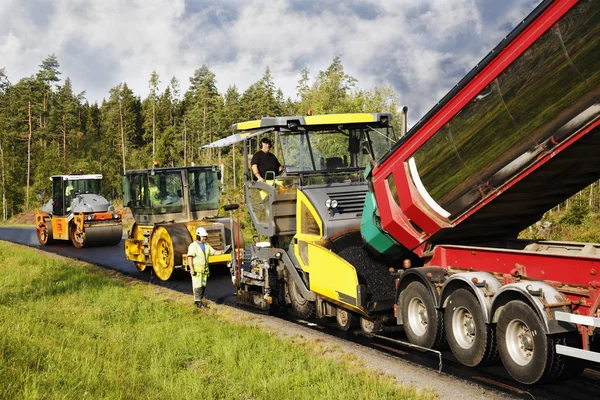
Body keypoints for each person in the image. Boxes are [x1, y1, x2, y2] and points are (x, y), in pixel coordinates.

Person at [187, 226, 224, 309]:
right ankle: (197, 302)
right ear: (198, 236)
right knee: (197, 286)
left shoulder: (206, 245)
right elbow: (189, 257)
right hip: (197, 271)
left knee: (203, 286)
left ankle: (200, 300)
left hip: (204, 271)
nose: (205, 238)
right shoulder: (193, 246)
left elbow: (214, 252)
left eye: (205, 236)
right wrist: (191, 269)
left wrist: (223, 252)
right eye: (203, 236)